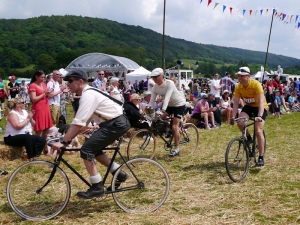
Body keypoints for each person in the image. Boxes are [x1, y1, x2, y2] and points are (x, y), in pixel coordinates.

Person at [52, 69, 131, 199]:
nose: (68, 84)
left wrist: (63, 141)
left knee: (86, 149)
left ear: (80, 81)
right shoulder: (88, 94)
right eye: (66, 81)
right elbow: (82, 123)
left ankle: (97, 186)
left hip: (115, 123)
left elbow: (78, 123)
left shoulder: (88, 95)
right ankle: (119, 173)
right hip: (114, 123)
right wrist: (68, 136)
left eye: (70, 81)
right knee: (94, 149)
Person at [230, 67, 268, 167]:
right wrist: (233, 117)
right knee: (240, 123)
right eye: (238, 76)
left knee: (258, 130)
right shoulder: (238, 86)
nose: (239, 78)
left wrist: (259, 116)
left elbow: (260, 102)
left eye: (242, 76)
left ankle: (260, 157)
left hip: (260, 107)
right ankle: (249, 138)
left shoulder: (256, 84)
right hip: (248, 107)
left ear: (248, 76)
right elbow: (236, 103)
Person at [148, 68, 186, 157]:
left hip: (179, 104)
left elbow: (167, 97)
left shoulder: (170, 83)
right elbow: (151, 101)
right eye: (153, 78)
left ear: (162, 76)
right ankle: (173, 131)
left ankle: (177, 149)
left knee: (174, 126)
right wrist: (148, 109)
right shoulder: (155, 87)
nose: (154, 79)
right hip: (170, 105)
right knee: (159, 119)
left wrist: (163, 110)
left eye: (156, 77)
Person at [29, 70, 53, 139]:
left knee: (47, 128)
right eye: (41, 77)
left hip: (45, 107)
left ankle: (43, 143)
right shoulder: (32, 86)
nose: (43, 79)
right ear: (36, 77)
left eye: (44, 77)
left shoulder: (44, 84)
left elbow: (46, 96)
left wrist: (48, 94)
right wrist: (44, 93)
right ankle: (38, 143)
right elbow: (33, 99)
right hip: (38, 108)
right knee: (39, 128)